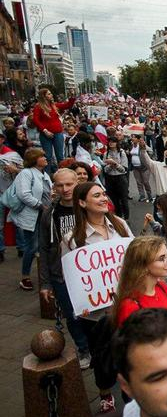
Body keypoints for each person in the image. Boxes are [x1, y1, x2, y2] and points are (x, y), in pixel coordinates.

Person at [61, 182, 133, 412]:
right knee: (103, 359)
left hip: (126, 307)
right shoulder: (72, 239)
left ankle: (131, 397)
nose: (103, 198)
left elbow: (133, 256)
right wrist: (80, 301)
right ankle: (104, 391)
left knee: (130, 355)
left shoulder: (120, 225)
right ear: (82, 202)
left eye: (103, 194)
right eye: (96, 195)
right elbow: (70, 276)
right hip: (96, 315)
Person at [38, 169, 90, 368]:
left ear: (77, 182)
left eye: (69, 184)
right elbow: (43, 247)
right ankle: (83, 348)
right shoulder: (49, 213)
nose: (65, 189)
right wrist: (45, 283)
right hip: (61, 275)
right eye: (60, 185)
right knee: (72, 315)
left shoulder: (88, 207)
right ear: (54, 186)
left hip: (88, 273)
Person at [11, 148, 52, 290]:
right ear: (35, 159)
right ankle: (25, 277)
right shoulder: (26, 173)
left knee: (45, 245)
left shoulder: (44, 173)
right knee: (32, 246)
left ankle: (45, 274)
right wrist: (41, 205)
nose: (45, 158)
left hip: (45, 214)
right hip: (33, 215)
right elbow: (24, 194)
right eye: (42, 156)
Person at [33, 88, 75, 172]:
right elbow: (35, 120)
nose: (51, 95)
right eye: (48, 94)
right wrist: (45, 130)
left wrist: (72, 96)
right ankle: (46, 176)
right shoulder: (38, 107)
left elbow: (68, 105)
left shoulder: (54, 105)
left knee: (60, 156)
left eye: (51, 93)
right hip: (45, 134)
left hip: (58, 133)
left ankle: (62, 173)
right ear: (43, 97)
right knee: (47, 156)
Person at [103, 136, 129, 219]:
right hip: (110, 178)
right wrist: (110, 165)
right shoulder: (106, 153)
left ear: (117, 143)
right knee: (113, 199)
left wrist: (114, 164)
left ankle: (126, 217)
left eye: (113, 142)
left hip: (120, 178)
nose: (111, 143)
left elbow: (124, 169)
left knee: (123, 199)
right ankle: (118, 216)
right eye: (109, 141)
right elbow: (105, 169)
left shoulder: (121, 153)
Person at [128, 134, 154, 203]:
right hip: (135, 167)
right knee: (139, 182)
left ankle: (150, 196)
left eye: (134, 137)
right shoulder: (131, 146)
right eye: (132, 137)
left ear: (138, 139)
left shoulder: (142, 145)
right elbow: (130, 153)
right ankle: (142, 196)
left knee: (145, 182)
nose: (132, 139)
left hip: (144, 167)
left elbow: (151, 151)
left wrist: (147, 158)